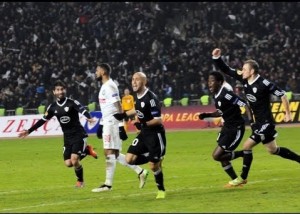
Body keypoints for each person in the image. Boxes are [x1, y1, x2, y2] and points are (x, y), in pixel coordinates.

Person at [212, 48, 300, 186]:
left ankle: (242, 178)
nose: (242, 71)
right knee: (273, 150)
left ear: (252, 71)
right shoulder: (244, 78)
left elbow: (282, 94)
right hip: (257, 123)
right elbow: (227, 70)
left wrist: (287, 113)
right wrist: (216, 58)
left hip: (266, 123)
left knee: (247, 146)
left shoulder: (263, 84)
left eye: (245, 69)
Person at [18, 80, 98, 188]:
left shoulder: (71, 102)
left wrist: (88, 117)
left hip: (78, 134)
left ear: (64, 90)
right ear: (54, 92)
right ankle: (86, 151)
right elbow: (42, 120)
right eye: (58, 90)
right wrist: (29, 131)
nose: (60, 92)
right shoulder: (52, 107)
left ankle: (80, 181)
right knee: (68, 163)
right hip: (67, 137)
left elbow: (82, 110)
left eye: (62, 89)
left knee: (74, 160)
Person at [91, 63, 149, 193]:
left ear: (103, 72)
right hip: (108, 122)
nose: (95, 72)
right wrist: (101, 123)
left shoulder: (110, 86)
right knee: (114, 154)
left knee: (109, 153)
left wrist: (121, 125)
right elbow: (108, 109)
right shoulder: (106, 86)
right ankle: (140, 171)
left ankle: (108, 185)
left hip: (112, 123)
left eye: (97, 70)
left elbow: (119, 107)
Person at [113, 71, 167, 199]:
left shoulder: (151, 98)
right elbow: (137, 109)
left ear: (144, 82)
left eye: (137, 79)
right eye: (132, 79)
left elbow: (158, 120)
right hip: (144, 133)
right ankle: (153, 157)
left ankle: (161, 190)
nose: (134, 82)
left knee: (154, 166)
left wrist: (143, 124)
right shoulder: (137, 96)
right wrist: (124, 115)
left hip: (155, 134)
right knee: (129, 159)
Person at [198, 71, 253, 187]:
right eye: (208, 81)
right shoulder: (216, 95)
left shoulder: (226, 94)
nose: (209, 84)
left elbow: (244, 104)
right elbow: (221, 112)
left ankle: (244, 153)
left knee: (217, 155)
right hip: (227, 128)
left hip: (235, 128)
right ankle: (236, 181)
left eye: (212, 81)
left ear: (219, 82)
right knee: (221, 156)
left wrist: (251, 121)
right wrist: (207, 115)